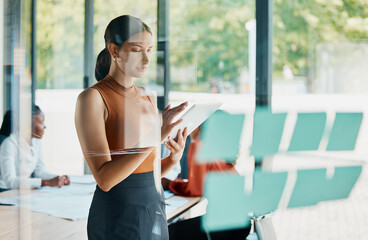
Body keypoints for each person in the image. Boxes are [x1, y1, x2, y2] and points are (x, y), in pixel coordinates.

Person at [74, 15, 188, 240]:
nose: (146, 59)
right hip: (116, 214)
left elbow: (145, 174)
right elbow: (105, 179)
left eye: (149, 49)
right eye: (137, 50)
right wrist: (155, 136)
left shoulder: (148, 97)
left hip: (153, 208)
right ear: (114, 51)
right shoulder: (92, 98)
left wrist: (173, 159)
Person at [0, 105, 70, 192]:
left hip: (20, 191)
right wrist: (46, 182)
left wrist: (58, 178)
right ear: (28, 125)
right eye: (41, 122)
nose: (44, 126)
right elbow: (10, 181)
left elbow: (40, 171)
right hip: (4, 191)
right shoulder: (9, 143)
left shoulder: (36, 141)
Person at [167, 125, 236, 197]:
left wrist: (170, 184)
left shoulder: (197, 146)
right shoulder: (219, 146)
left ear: (197, 127)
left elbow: (196, 190)